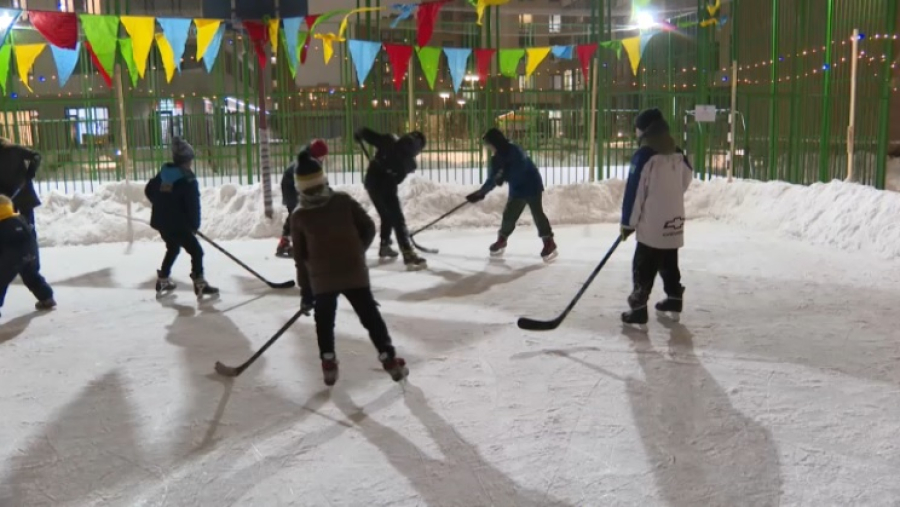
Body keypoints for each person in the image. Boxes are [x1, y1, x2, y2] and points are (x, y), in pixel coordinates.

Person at [290, 156, 408, 386]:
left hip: (322, 280)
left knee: (324, 321)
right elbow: (369, 227)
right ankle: (389, 358)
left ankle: (328, 362)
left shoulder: (299, 216)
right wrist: (357, 250)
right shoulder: (342, 201)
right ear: (322, 179)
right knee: (370, 317)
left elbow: (300, 258)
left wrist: (306, 292)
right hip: (354, 272)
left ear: (299, 186)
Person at [619, 108, 693, 325]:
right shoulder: (678, 152)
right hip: (674, 221)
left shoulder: (644, 156)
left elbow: (634, 193)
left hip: (651, 223)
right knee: (669, 260)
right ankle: (674, 297)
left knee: (644, 264)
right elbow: (686, 179)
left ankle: (639, 307)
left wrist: (628, 223)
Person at [466, 128, 557, 262]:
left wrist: (503, 174)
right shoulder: (495, 159)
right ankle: (502, 239)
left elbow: (521, 167)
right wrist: (481, 193)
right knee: (509, 214)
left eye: (490, 144)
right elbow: (492, 178)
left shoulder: (514, 150)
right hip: (517, 190)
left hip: (531, 184)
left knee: (537, 214)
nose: (489, 148)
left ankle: (549, 242)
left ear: (496, 142)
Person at [145, 137, 219, 299]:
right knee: (197, 252)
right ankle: (199, 282)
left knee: (173, 247)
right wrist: (193, 225)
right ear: (187, 160)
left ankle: (163, 278)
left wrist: (160, 205)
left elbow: (149, 190)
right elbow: (193, 205)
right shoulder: (188, 180)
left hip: (162, 223)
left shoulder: (162, 174)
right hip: (180, 225)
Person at [354, 127, 427, 270]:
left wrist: (359, 135)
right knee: (397, 220)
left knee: (387, 216)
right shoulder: (410, 163)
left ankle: (385, 245)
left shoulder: (388, 141)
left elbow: (364, 132)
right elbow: (398, 178)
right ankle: (407, 253)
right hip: (386, 187)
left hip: (372, 183)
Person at [0, 194, 55, 319]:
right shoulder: (19, 218)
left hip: (11, 258)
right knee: (31, 275)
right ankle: (47, 297)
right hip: (31, 252)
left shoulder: (2, 225)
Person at [276, 139, 328, 258]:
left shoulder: (312, 159)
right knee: (298, 214)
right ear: (317, 155)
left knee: (297, 214)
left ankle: (286, 240)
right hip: (291, 186)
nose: (323, 158)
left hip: (296, 185)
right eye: (322, 156)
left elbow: (319, 179)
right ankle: (296, 243)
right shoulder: (305, 162)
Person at [0, 138, 42, 230]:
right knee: (29, 227)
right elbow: (36, 156)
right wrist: (30, 173)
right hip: (22, 191)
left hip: (7, 198)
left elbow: (36, 156)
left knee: (9, 228)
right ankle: (30, 242)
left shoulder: (14, 149)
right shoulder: (15, 149)